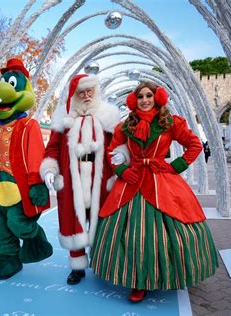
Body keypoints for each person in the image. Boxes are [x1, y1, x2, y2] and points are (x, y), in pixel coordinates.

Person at [90, 82, 218, 302]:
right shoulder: (125, 126)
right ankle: (138, 282)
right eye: (140, 96)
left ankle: (166, 275)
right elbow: (111, 150)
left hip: (161, 180)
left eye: (149, 95)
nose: (145, 100)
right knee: (131, 233)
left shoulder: (169, 123)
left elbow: (194, 144)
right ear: (134, 100)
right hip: (132, 180)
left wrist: (176, 166)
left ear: (157, 98)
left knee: (171, 228)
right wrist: (121, 169)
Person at [40, 74, 128, 285]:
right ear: (75, 95)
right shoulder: (63, 119)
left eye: (90, 91)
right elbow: (52, 147)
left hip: (102, 178)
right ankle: (77, 267)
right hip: (72, 179)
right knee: (74, 222)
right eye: (82, 92)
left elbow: (120, 143)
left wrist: (122, 155)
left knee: (103, 221)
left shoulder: (108, 117)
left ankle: (102, 262)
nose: (87, 96)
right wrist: (50, 169)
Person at [0, 58, 53, 280]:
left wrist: (37, 183)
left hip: (20, 186)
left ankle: (35, 238)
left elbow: (36, 155)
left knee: (18, 222)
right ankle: (8, 255)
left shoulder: (29, 125)